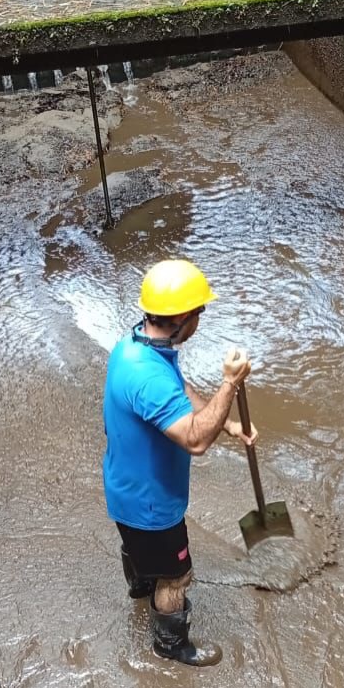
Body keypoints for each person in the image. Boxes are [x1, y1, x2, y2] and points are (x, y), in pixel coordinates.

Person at [102, 259, 256, 667]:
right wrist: (229, 384)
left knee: (139, 550)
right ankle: (171, 645)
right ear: (184, 317)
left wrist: (229, 423)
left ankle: (140, 585)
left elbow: (179, 391)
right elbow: (194, 439)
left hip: (125, 486)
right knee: (176, 576)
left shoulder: (137, 346)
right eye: (200, 312)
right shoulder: (147, 377)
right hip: (151, 504)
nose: (201, 319)